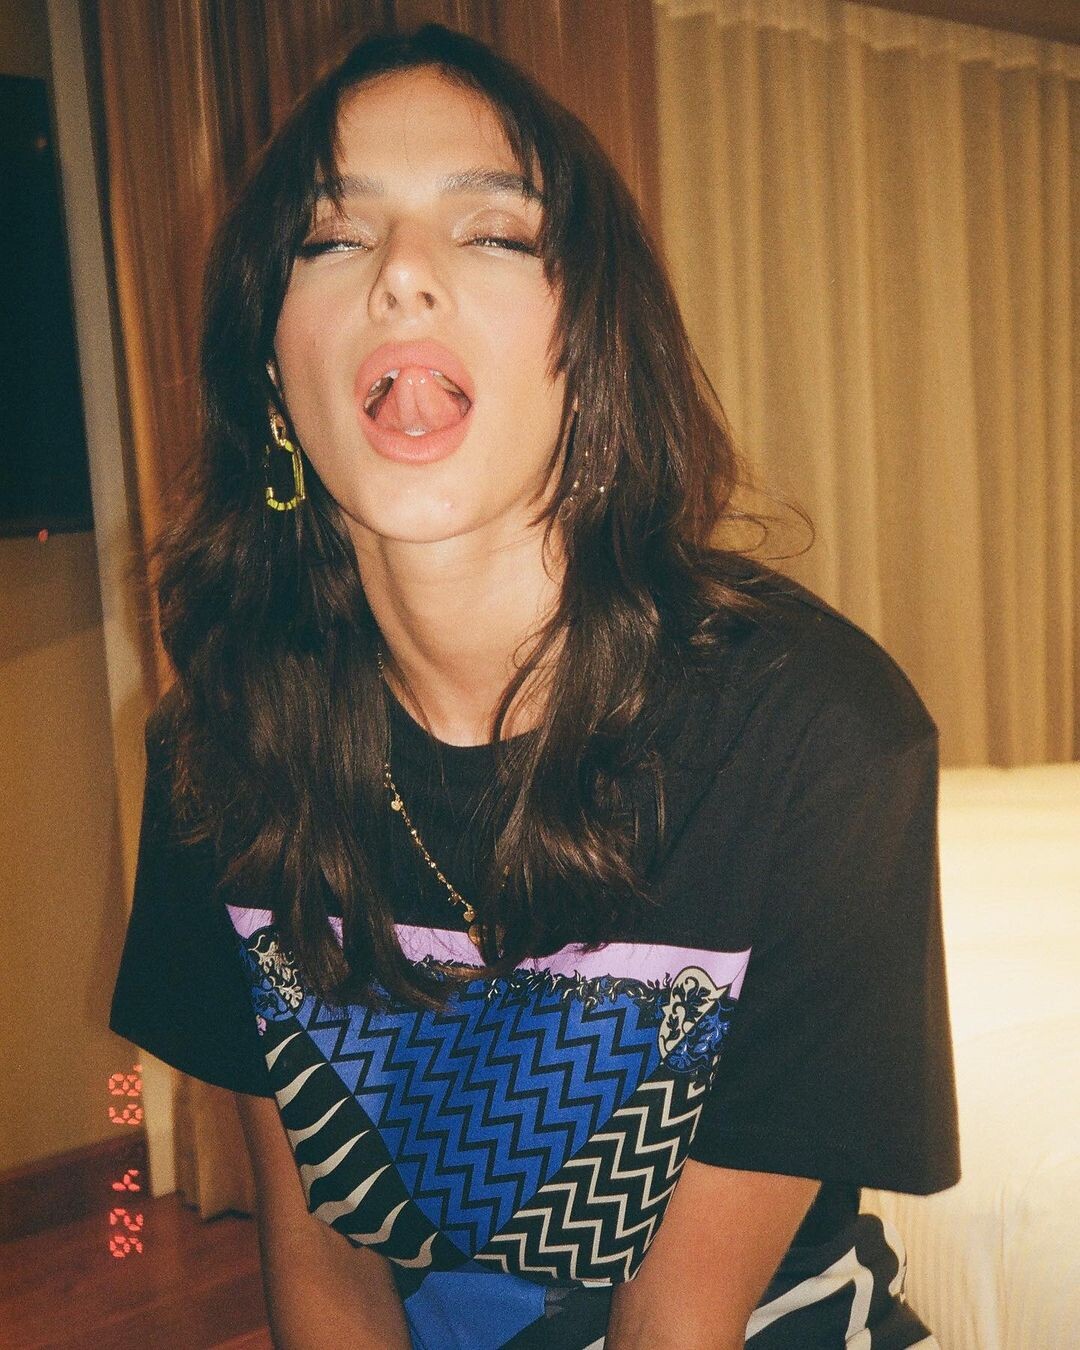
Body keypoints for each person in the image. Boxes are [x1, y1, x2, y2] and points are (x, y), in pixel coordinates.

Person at [110, 22, 959, 1350]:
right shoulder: (220, 751)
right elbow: (320, 1257)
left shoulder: (817, 740)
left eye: (493, 231)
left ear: (593, 344)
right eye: (333, 236)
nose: (402, 273)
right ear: (273, 371)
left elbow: (678, 1326)